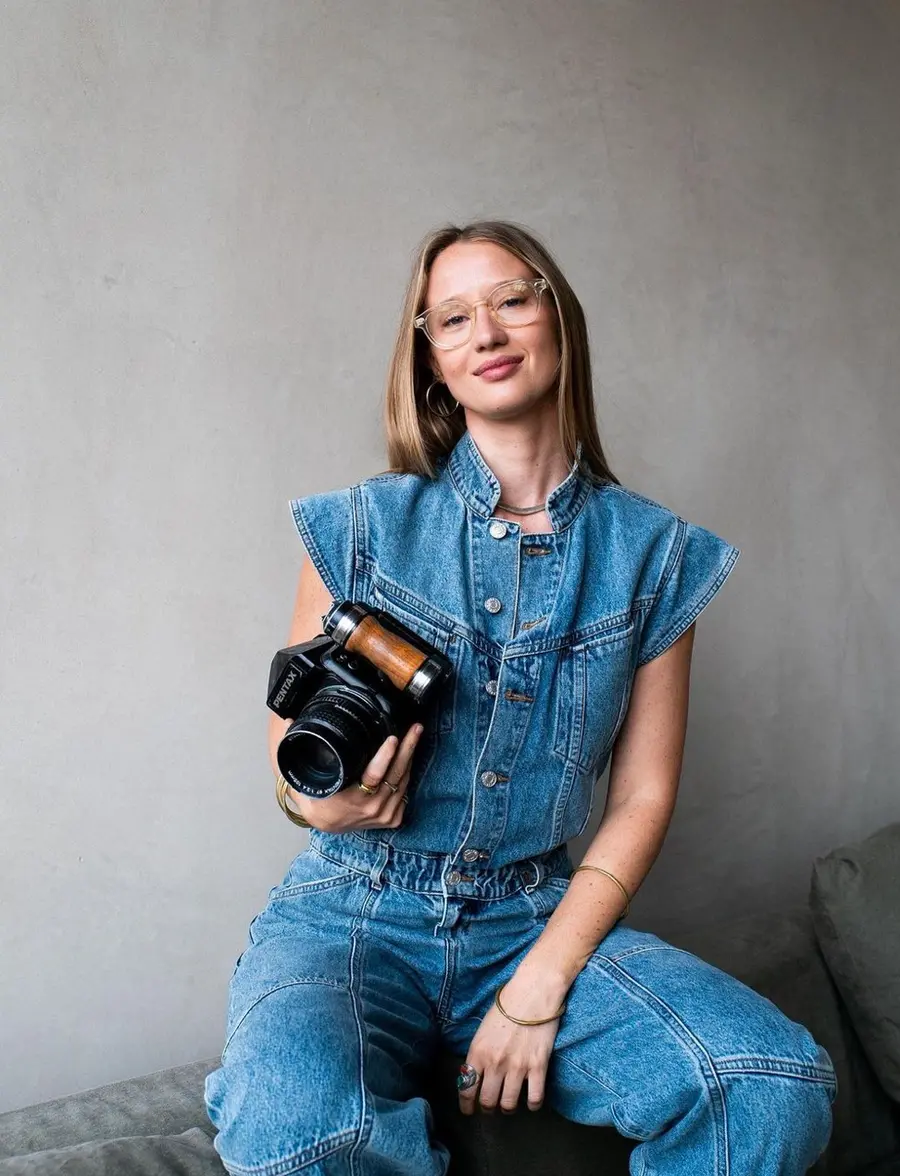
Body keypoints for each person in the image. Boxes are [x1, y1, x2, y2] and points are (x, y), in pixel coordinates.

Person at [204, 220, 837, 1175]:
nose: (486, 332)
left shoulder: (656, 556)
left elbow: (642, 799)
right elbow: (287, 756)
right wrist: (314, 801)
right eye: (451, 318)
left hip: (533, 917)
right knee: (297, 1132)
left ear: (557, 317)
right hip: (350, 915)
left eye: (511, 298)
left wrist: (538, 986)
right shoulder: (360, 527)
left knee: (770, 1083)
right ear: (432, 363)